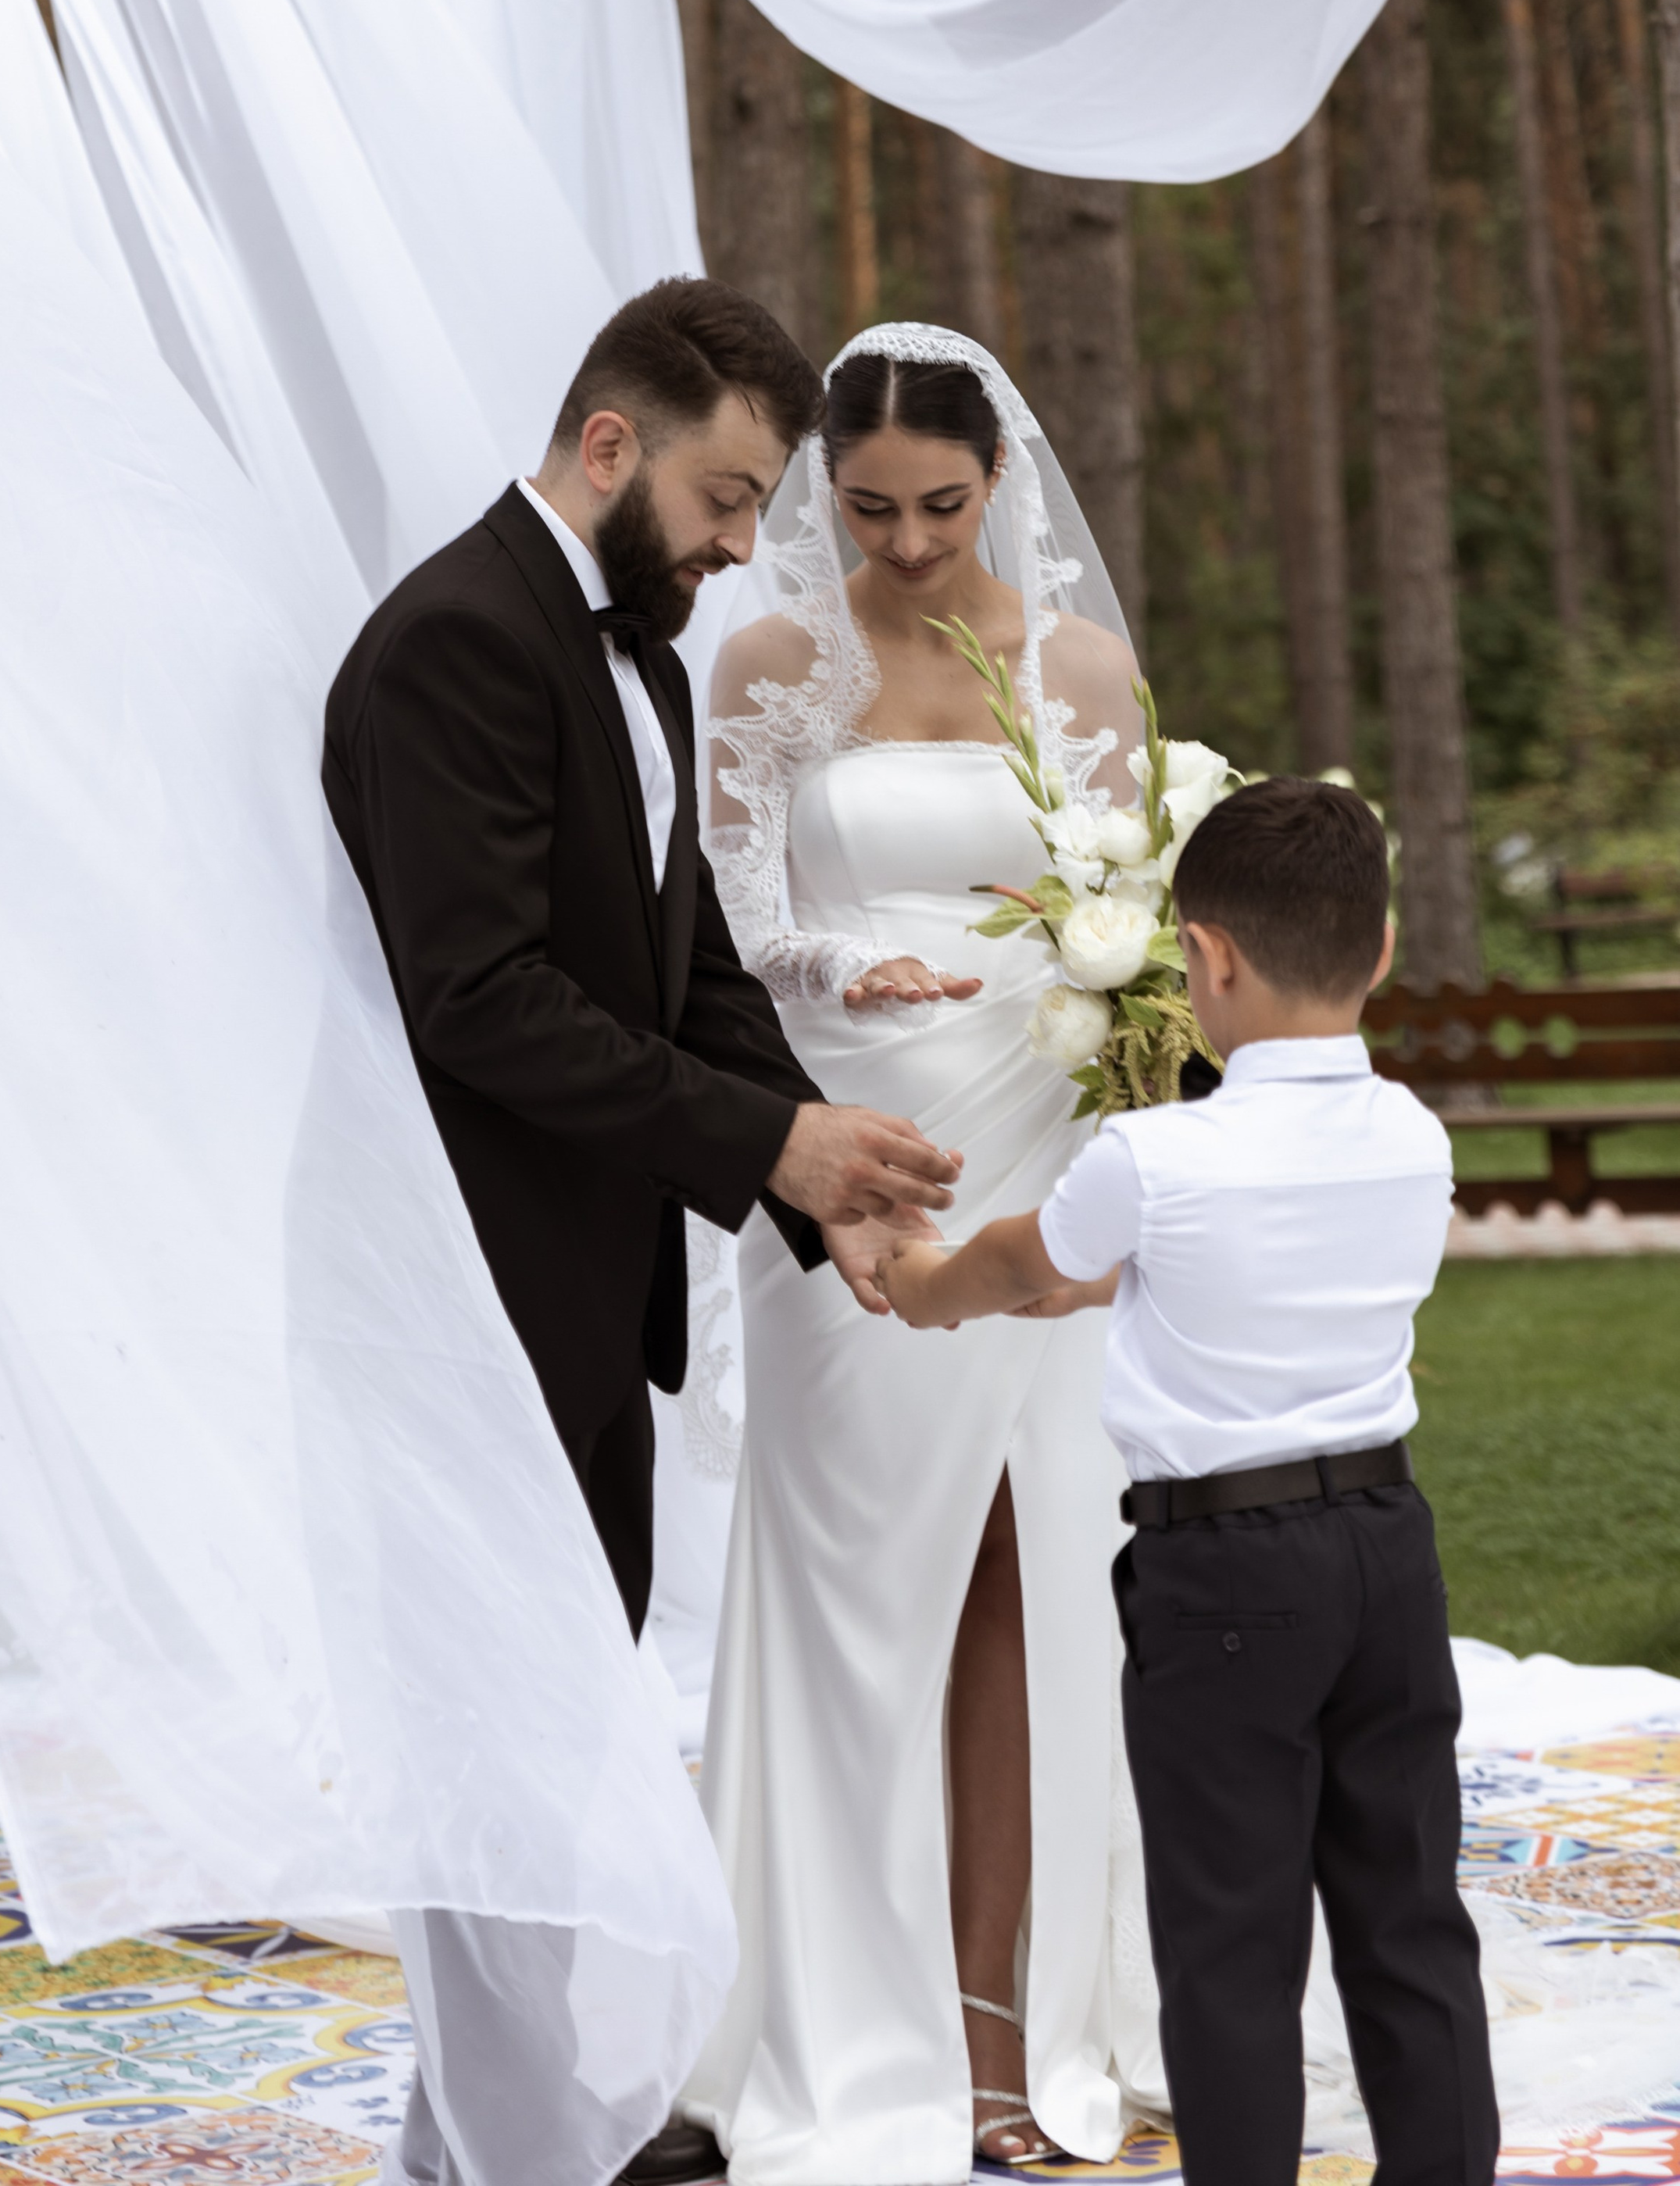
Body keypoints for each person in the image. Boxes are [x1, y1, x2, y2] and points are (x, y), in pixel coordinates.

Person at [323, 279, 960, 2186]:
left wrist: (815, 1170)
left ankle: (489, 2137)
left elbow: (678, 965)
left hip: (586, 1301)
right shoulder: (449, 642)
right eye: (724, 491)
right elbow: (480, 998)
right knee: (491, 1748)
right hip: (469, 1301)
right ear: (610, 445)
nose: (738, 541)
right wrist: (767, 1142)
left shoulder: (646, 656)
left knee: (546, 1727)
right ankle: (536, 2145)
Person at [683, 323, 1164, 2181]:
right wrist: (835, 965)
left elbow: (1122, 912)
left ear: (997, 485)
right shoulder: (770, 667)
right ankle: (835, 2013)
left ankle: (1011, 2022)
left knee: (1033, 1561)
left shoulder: (1083, 670)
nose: (901, 543)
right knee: (854, 1570)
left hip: (1031, 1128)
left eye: (938, 507)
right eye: (866, 507)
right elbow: (728, 923)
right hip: (845, 1153)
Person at [878, 776, 1499, 2186]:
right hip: (1388, 1550)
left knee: (1231, 1936)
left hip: (1227, 1575)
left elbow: (1016, 1264)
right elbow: (1255, 1284)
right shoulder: (1416, 1135)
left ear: (1205, 958)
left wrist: (920, 1286)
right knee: (1409, 1916)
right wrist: (1109, 1293)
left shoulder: (1155, 1155)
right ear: (1384, 949)